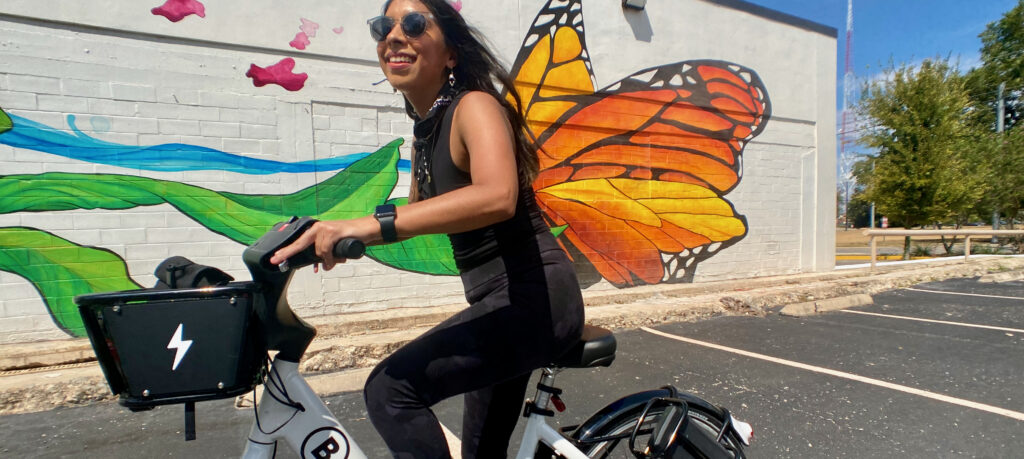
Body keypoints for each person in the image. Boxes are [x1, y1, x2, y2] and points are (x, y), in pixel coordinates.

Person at [269, 0, 585, 457]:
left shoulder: (475, 106)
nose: (394, 36)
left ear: (451, 53)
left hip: (534, 299)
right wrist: (335, 232)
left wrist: (367, 224)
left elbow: (497, 196)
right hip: (499, 304)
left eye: (415, 24)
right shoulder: (425, 133)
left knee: (389, 390)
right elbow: (421, 215)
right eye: (384, 26)